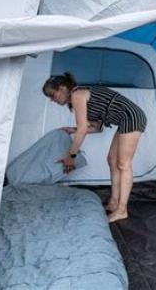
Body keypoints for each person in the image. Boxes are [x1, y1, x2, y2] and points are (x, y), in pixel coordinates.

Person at [42, 72, 147, 222]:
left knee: (123, 164)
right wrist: (73, 129)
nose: (52, 100)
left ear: (63, 88)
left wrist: (71, 156)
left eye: (53, 95)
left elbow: (83, 129)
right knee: (112, 160)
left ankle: (122, 210)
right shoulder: (79, 96)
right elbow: (97, 128)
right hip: (125, 120)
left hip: (131, 117)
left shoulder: (77, 95)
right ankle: (114, 202)